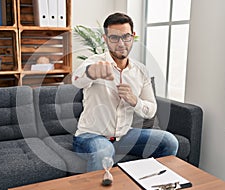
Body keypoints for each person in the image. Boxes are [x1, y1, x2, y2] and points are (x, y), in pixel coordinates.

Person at [72, 12, 178, 172]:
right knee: (104, 152)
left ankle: (152, 184)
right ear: (105, 39)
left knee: (169, 141)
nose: (121, 43)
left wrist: (134, 100)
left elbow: (151, 110)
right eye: (114, 38)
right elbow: (76, 80)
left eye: (126, 37)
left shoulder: (140, 71)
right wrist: (92, 72)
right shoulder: (95, 63)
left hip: (124, 135)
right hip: (90, 136)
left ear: (133, 36)